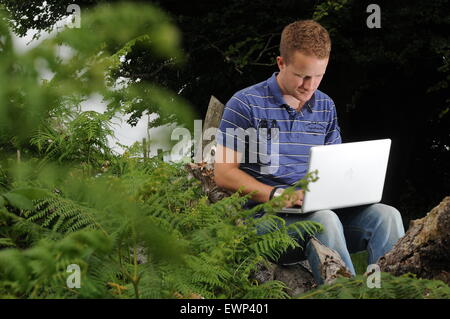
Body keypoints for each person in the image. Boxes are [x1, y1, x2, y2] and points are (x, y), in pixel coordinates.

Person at [214, 20, 405, 284]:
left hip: (318, 212)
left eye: (318, 76)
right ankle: (347, 293)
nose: (310, 85)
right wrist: (278, 195)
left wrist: (351, 190)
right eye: (302, 76)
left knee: (387, 216)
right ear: (281, 63)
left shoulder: (326, 106)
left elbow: (335, 169)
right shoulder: (244, 104)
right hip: (263, 221)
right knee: (323, 220)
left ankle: (390, 291)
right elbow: (223, 174)